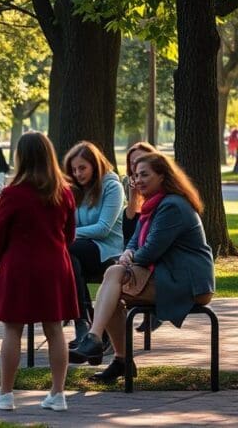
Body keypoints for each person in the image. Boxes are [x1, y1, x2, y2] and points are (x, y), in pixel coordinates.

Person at [70, 152, 215, 384]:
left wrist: (129, 257)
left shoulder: (172, 206)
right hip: (165, 276)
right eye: (136, 175)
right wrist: (128, 253)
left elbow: (150, 250)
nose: (138, 181)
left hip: (189, 283)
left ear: (163, 176)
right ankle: (119, 359)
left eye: (145, 175)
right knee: (112, 287)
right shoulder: (152, 205)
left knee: (113, 277)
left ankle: (96, 340)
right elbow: (134, 241)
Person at [0, 132, 78, 412]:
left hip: (20, 265)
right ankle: (58, 393)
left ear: (21, 157)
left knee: (12, 329)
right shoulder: (65, 193)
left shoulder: (13, 193)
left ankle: (5, 393)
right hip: (55, 266)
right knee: (55, 329)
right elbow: (69, 234)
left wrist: (2, 261)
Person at [62, 141, 124, 348]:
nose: (78, 174)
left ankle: (86, 327)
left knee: (67, 251)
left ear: (95, 165)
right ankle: (89, 328)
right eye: (74, 169)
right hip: (84, 251)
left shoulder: (113, 187)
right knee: (69, 260)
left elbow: (103, 228)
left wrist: (66, 235)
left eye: (82, 168)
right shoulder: (78, 191)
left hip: (108, 251)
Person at [122, 141, 162, 333]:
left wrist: (130, 258)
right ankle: (101, 339)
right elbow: (131, 228)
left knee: (113, 281)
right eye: (132, 163)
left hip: (152, 256)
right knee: (113, 278)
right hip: (136, 247)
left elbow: (153, 245)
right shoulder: (131, 184)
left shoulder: (167, 203)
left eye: (138, 161)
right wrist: (133, 196)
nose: (134, 166)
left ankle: (107, 341)